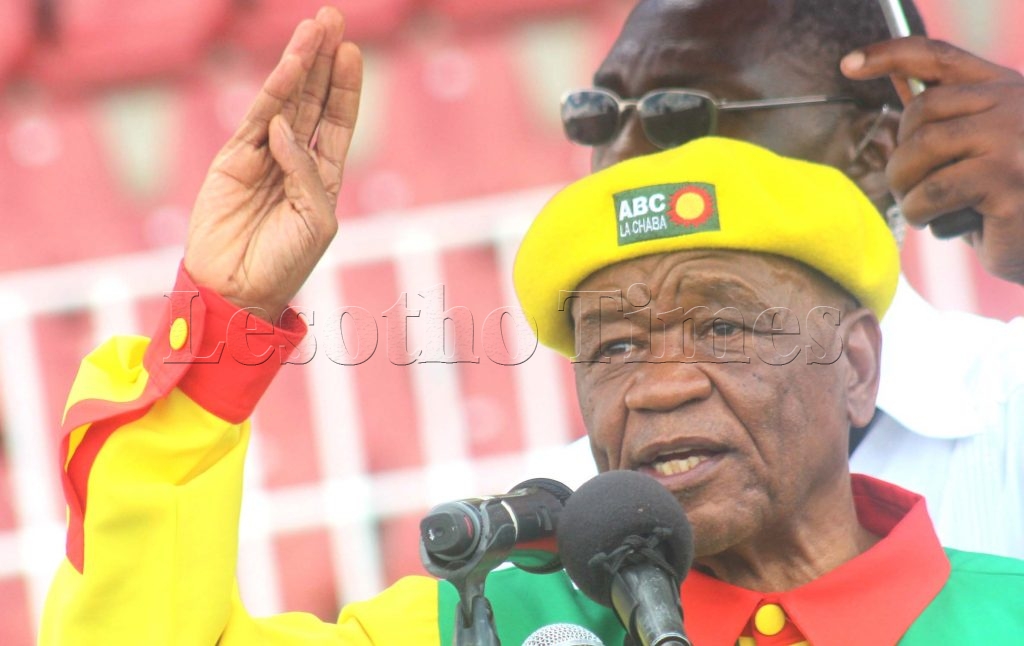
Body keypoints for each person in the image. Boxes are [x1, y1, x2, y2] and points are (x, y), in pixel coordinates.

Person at [37, 3, 1024, 638]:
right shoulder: (503, 607)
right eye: (618, 345)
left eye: (722, 329)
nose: (662, 383)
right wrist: (220, 327)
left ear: (858, 365)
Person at [554, 0, 1024, 559]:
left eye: (680, 114)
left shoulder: (1006, 413)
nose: (620, 161)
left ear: (876, 151)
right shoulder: (561, 514)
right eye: (599, 116)